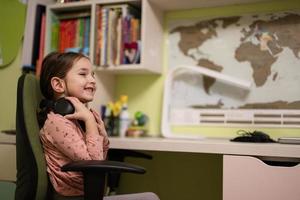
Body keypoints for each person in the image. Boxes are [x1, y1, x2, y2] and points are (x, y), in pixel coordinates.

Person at [38, 52, 109, 197]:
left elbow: (101, 158)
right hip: (74, 196)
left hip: (87, 192)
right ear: (58, 84)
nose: (92, 80)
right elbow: (94, 166)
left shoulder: (82, 118)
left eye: (93, 74)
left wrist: (102, 135)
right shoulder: (56, 122)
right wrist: (90, 121)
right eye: (83, 74)